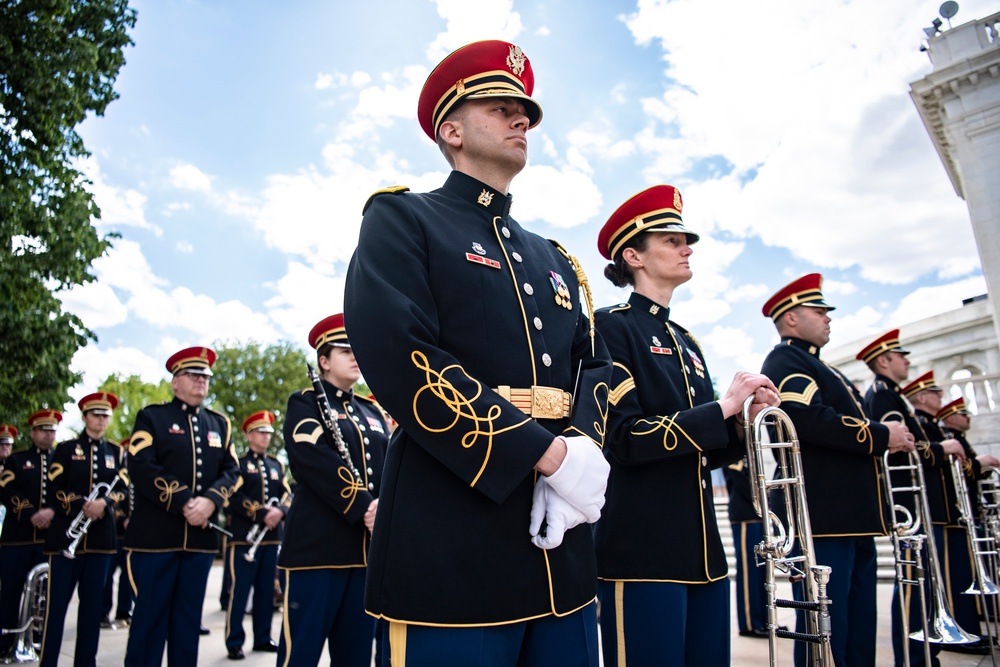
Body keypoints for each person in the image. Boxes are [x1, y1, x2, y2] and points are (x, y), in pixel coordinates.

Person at [345, 40, 613, 667]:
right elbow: (403, 355)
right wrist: (547, 456)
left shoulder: (555, 258)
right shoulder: (403, 219)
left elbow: (593, 367)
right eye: (502, 106)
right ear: (453, 129)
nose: (523, 118)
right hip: (453, 548)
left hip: (563, 558)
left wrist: (580, 453)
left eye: (526, 110)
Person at [590, 184, 779, 666]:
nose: (686, 247)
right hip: (642, 550)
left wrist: (742, 423)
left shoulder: (686, 341)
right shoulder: (611, 327)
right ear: (633, 255)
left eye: (685, 240)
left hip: (704, 555)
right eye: (671, 240)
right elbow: (623, 439)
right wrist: (721, 410)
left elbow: (706, 450)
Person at [759, 274, 915, 667]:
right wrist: (881, 435)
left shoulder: (816, 364)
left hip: (849, 516)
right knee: (828, 626)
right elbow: (806, 419)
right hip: (824, 519)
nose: (828, 318)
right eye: (819, 311)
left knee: (858, 619)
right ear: (790, 319)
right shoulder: (786, 360)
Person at [277, 314, 387, 667]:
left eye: (357, 349)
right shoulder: (305, 403)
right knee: (302, 654)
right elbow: (312, 460)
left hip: (365, 554)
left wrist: (385, 507)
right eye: (344, 350)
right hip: (317, 552)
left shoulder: (371, 410)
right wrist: (365, 506)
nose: (355, 356)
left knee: (355, 656)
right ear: (323, 361)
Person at [123, 346, 240, 667]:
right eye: (193, 375)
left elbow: (233, 472)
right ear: (175, 382)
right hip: (156, 540)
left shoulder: (220, 425)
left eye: (205, 376)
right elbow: (141, 465)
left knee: (187, 626)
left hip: (200, 543)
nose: (201, 381)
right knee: (148, 622)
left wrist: (211, 501)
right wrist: (185, 501)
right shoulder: (152, 417)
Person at [856, 331, 960, 665]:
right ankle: (914, 657)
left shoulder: (892, 395)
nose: (907, 361)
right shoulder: (884, 395)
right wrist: (942, 449)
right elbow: (902, 447)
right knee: (915, 585)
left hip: (918, 501)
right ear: (884, 360)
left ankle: (926, 653)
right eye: (901, 357)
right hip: (908, 502)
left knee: (923, 583)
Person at [904, 372, 991, 654]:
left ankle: (967, 629)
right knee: (952, 579)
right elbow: (918, 454)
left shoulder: (933, 428)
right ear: (921, 397)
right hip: (937, 512)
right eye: (936, 393)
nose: (940, 397)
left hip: (950, 513)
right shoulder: (924, 425)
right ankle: (962, 628)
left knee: (959, 576)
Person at [40, 392, 125, 667]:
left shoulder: (116, 452)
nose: (101, 420)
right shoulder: (65, 449)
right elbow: (53, 488)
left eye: (106, 416)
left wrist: (105, 502)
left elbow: (124, 489)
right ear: (85, 417)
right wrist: (81, 504)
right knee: (56, 611)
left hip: (101, 541)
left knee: (91, 613)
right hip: (65, 537)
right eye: (96, 415)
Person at [223, 410, 289, 660]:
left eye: (268, 433)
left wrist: (280, 511)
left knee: (265, 591)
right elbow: (232, 496)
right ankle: (234, 641)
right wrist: (261, 513)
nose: (265, 437)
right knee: (239, 592)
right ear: (249, 435)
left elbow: (287, 495)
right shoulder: (238, 464)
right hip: (244, 538)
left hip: (272, 538)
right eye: (261, 432)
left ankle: (262, 637)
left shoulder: (276, 464)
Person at [0, 410, 61, 661]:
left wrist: (52, 513)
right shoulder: (16, 460)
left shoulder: (61, 460)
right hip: (18, 538)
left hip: (48, 540)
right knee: (11, 592)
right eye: (44, 430)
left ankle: (36, 641)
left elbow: (68, 490)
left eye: (53, 430)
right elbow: (5, 488)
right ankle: (5, 643)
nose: (49, 434)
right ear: (33, 432)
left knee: (44, 595)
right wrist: (31, 514)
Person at [724, 459, 771, 639]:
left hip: (758, 517)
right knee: (749, 571)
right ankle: (750, 623)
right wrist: (761, 504)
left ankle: (764, 619)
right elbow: (740, 481)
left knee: (762, 573)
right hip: (745, 514)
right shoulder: (736, 453)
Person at [101, 435, 132, 629]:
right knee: (107, 575)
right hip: (114, 532)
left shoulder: (138, 475)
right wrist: (123, 518)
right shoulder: (117, 475)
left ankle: (124, 612)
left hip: (133, 535)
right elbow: (114, 501)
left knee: (127, 576)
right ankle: (103, 612)